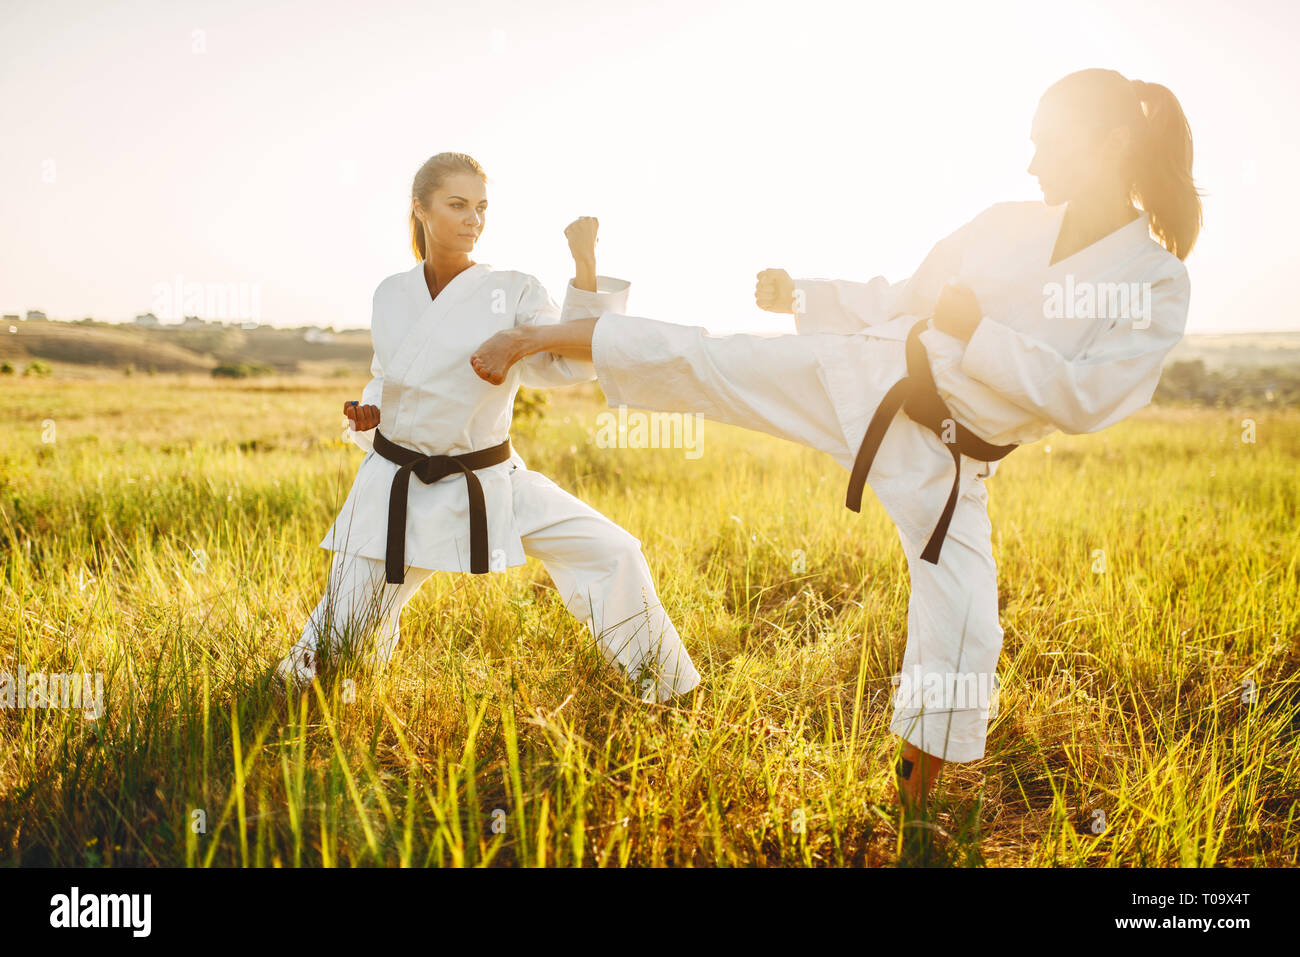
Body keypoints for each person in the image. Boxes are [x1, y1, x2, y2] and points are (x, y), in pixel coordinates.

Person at [468, 69, 1201, 808]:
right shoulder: (1007, 222)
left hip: (949, 456)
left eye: (1048, 144)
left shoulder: (1155, 279)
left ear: (1110, 143)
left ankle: (913, 808)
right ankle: (536, 336)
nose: (1032, 163)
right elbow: (906, 296)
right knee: (711, 360)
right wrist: (806, 296)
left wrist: (977, 333)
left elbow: (1085, 396)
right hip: (872, 373)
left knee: (966, 619)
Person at [277, 152, 701, 704]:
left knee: (612, 550)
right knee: (333, 645)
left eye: (480, 207)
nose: (473, 218)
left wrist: (582, 267)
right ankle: (318, 699)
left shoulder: (513, 288)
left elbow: (572, 360)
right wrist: (369, 411)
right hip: (396, 483)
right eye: (457, 205)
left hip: (488, 478)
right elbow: (388, 377)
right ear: (421, 209)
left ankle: (670, 691)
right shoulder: (390, 293)